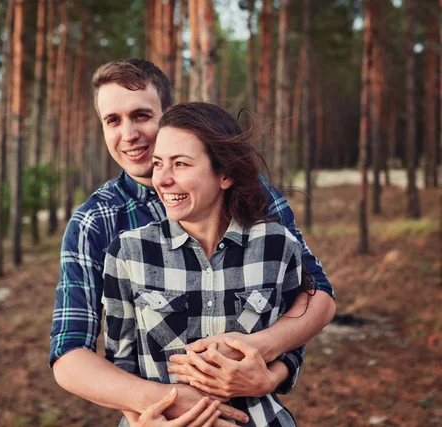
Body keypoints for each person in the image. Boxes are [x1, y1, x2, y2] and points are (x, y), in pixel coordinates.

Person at [49, 59, 335, 424]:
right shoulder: (97, 222)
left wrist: (263, 367)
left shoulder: (251, 193)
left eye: (141, 115)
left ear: (169, 114)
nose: (129, 134)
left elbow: (316, 295)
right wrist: (159, 404)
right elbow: (71, 353)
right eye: (113, 121)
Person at [103, 102, 309, 426]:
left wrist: (270, 378)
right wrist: (141, 419)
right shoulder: (128, 252)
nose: (163, 179)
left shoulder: (276, 245)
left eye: (181, 164)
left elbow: (293, 343)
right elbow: (119, 364)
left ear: (225, 174)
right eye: (158, 164)